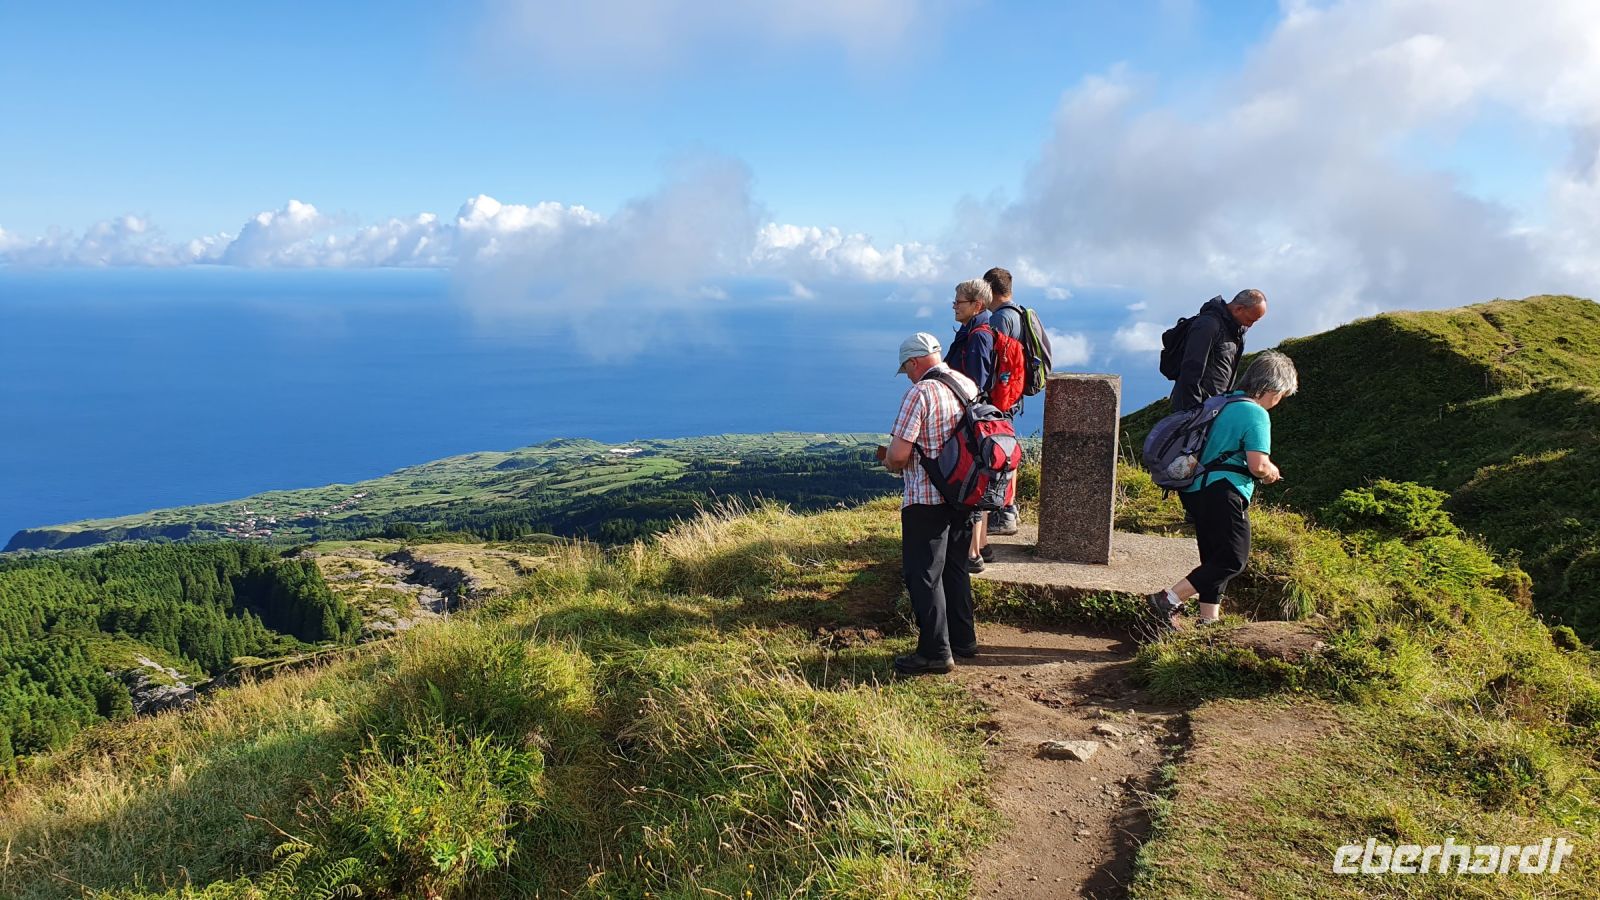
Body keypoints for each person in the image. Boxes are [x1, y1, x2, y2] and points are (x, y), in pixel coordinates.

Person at [1145, 350, 1298, 634]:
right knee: (1232, 559)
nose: (1279, 402)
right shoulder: (1256, 413)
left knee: (1214, 559)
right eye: (1282, 395)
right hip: (1224, 491)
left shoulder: (1223, 402)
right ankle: (1168, 599)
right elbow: (1257, 465)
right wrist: (1270, 472)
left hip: (1194, 489)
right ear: (1272, 388)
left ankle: (1208, 622)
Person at [884, 332, 980, 674]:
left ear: (914, 362)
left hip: (927, 497)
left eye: (907, 368)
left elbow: (898, 454)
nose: (908, 375)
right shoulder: (966, 385)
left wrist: (889, 462)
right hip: (965, 493)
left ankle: (935, 652)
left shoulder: (920, 392)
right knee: (955, 567)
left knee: (923, 573)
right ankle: (963, 640)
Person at [945, 278, 995, 573]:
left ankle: (972, 552)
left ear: (976, 305)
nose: (954, 306)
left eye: (959, 302)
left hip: (969, 420)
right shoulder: (973, 331)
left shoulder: (978, 336)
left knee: (969, 482)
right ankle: (977, 548)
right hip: (972, 418)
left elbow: (974, 383)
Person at [1168, 290, 1268, 412]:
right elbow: (1191, 370)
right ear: (1238, 309)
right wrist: (1194, 412)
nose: (1251, 325)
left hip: (1215, 407)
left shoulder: (1236, 332)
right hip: (1196, 410)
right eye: (1250, 320)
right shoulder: (1208, 325)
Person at [981, 266, 1023, 536]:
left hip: (1000, 399)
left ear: (989, 290)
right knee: (1009, 453)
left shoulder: (998, 320)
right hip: (1013, 396)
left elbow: (993, 363)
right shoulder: (1021, 314)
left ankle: (1003, 513)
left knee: (998, 455)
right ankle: (1010, 509)